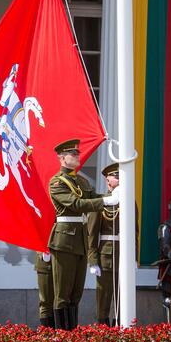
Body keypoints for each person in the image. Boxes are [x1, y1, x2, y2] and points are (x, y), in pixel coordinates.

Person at [47, 139, 118, 330]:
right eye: (73, 154)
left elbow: (93, 198)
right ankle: (62, 334)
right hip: (64, 240)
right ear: (62, 158)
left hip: (80, 240)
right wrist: (107, 201)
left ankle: (72, 334)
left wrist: (112, 196)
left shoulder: (82, 181)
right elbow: (77, 205)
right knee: (63, 293)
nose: (78, 156)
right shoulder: (56, 183)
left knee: (76, 293)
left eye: (77, 153)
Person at [86, 163, 138, 326]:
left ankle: (121, 326)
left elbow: (134, 231)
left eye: (120, 175)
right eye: (115, 176)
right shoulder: (100, 201)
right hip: (106, 256)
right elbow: (92, 234)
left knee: (123, 296)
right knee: (104, 296)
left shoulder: (129, 201)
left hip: (124, 254)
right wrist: (93, 260)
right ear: (107, 180)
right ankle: (103, 329)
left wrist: (134, 256)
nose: (119, 178)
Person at [35, 250, 55, 328]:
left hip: (62, 263)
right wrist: (42, 252)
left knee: (62, 301)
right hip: (45, 264)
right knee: (45, 302)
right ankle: (47, 334)